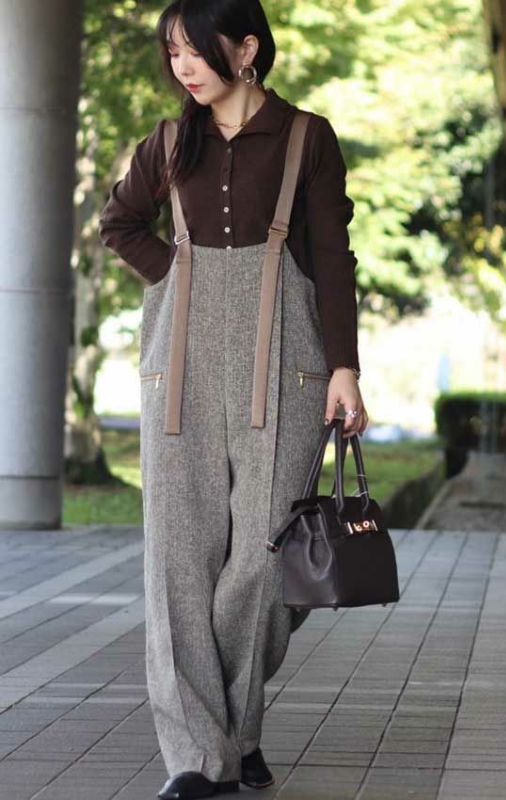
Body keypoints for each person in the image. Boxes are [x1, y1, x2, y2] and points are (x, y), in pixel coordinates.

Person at [98, 1, 368, 797]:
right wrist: (176, 276)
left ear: (247, 49)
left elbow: (333, 255)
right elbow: (120, 222)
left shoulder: (307, 138)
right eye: (172, 51)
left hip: (288, 364)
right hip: (178, 365)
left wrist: (345, 367)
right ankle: (200, 758)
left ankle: (233, 728)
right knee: (177, 559)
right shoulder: (168, 141)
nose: (181, 65)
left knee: (264, 554)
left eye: (195, 49)